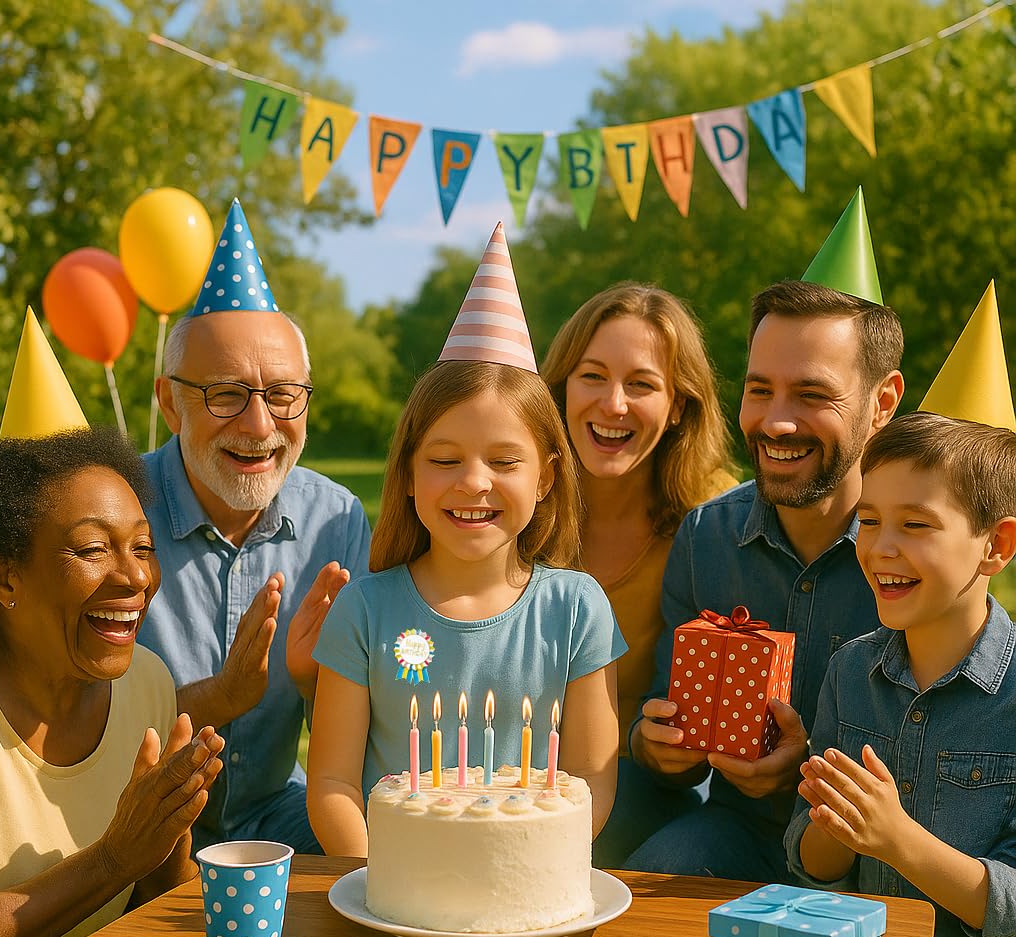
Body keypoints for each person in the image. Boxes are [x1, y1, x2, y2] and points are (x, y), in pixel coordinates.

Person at [306, 223, 624, 856]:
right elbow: (334, 783)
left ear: (545, 479)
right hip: (391, 887)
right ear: (407, 478)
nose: (473, 483)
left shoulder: (576, 610)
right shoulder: (366, 612)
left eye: (505, 462)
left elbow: (589, 781)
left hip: (528, 883)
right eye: (444, 460)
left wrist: (517, 866)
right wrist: (384, 875)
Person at [626, 278, 905, 880]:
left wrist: (805, 767)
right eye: (760, 390)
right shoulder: (707, 538)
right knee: (647, 883)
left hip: (876, 856)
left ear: (882, 403)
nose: (776, 423)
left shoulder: (915, 559)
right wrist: (657, 746)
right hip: (738, 831)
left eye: (811, 394)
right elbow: (666, 726)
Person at [139, 199, 371, 855]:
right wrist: (218, 697)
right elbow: (68, 728)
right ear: (170, 403)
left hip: (280, 816)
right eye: (226, 393)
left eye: (282, 394)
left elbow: (372, 719)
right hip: (130, 822)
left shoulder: (338, 520)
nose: (260, 424)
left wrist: (315, 684)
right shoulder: (116, 511)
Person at [786, 413, 1016, 937]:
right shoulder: (848, 674)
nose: (881, 547)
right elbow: (813, 869)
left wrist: (896, 838)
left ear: (997, 546)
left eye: (915, 525)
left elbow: (1013, 908)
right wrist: (832, 827)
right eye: (868, 521)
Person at [0, 428, 224, 937]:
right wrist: (114, 858)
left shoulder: (147, 681)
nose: (135, 579)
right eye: (92, 550)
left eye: (143, 548)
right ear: (5, 577)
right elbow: (119, 865)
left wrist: (168, 833)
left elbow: (156, 896)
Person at [541, 282, 736, 866]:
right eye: (592, 376)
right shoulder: (515, 502)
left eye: (642, 384)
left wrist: (664, 746)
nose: (614, 404)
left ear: (679, 405)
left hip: (634, 787)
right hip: (502, 772)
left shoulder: (714, 522)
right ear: (561, 388)